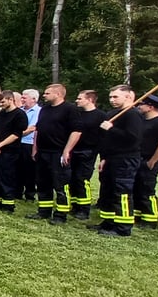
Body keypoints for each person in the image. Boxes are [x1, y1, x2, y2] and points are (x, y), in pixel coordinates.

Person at [91, 85, 144, 237]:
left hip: (126, 158)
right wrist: (104, 157)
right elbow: (106, 139)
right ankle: (108, 222)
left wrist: (111, 128)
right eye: (110, 97)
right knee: (108, 190)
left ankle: (123, 227)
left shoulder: (133, 114)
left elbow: (133, 138)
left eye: (116, 97)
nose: (112, 100)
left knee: (122, 192)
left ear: (128, 97)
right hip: (111, 157)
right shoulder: (112, 113)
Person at [28, 84, 80, 224]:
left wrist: (67, 150)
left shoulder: (70, 109)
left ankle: (60, 215)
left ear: (58, 94)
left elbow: (76, 132)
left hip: (58, 152)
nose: (44, 95)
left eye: (47, 93)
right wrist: (35, 148)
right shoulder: (45, 110)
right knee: (43, 183)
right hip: (43, 152)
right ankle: (44, 211)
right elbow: (38, 130)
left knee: (60, 185)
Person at [0, 90, 28, 213]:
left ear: (11, 99)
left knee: (6, 177)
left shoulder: (19, 115)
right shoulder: (2, 113)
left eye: (3, 102)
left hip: (9, 151)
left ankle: (8, 204)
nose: (1, 104)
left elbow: (16, 135)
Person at [134, 95, 158, 229]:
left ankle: (150, 218)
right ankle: (138, 214)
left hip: (149, 160)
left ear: (150, 107)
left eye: (141, 104)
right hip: (138, 158)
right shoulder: (142, 120)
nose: (139, 107)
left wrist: (152, 161)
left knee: (147, 190)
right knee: (136, 188)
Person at [69, 90, 106, 220]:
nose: (76, 101)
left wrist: (103, 156)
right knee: (72, 178)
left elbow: (104, 137)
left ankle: (84, 209)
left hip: (88, 151)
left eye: (80, 99)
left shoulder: (100, 115)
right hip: (74, 150)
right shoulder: (77, 114)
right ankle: (74, 205)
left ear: (90, 100)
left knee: (82, 179)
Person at [19, 89, 41, 201]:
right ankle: (17, 191)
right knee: (17, 168)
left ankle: (30, 193)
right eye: (21, 97)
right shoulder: (19, 110)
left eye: (24, 98)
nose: (22, 99)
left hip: (29, 143)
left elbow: (32, 127)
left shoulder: (38, 111)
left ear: (34, 99)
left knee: (29, 169)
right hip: (17, 143)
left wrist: (15, 134)